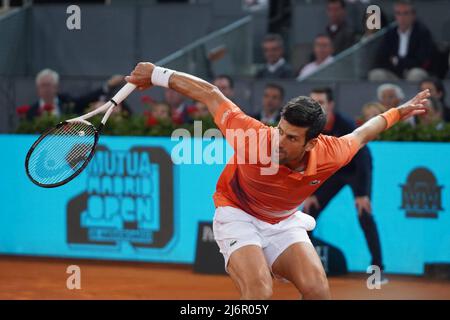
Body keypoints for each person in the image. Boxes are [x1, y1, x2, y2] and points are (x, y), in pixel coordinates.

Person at [126, 61, 429, 300]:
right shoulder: (254, 137)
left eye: (292, 138)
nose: (279, 141)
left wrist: (399, 112)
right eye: (281, 130)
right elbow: (210, 94)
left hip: (282, 222)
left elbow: (363, 133)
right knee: (259, 291)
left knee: (318, 290)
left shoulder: (330, 152)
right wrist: (157, 73)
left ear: (311, 143)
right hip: (237, 214)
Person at [303, 88, 386, 283]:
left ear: (331, 105)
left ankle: (378, 270)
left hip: (356, 171)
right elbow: (310, 159)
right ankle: (300, 268)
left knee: (364, 214)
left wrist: (362, 193)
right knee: (307, 214)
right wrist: (309, 191)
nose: (317, 107)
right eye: (313, 102)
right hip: (332, 173)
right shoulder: (310, 128)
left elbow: (363, 159)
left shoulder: (346, 124)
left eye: (321, 102)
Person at [368, 0, 436, 82]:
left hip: (413, 71)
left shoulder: (422, 33)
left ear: (413, 15)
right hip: (393, 73)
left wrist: (397, 61)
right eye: (398, 13)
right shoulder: (390, 33)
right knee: (376, 74)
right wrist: (397, 63)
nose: (402, 17)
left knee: (416, 75)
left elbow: (421, 60)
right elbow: (381, 58)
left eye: (406, 13)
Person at [26, 69, 124, 120]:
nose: (46, 89)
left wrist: (108, 86)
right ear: (38, 88)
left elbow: (86, 100)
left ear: (56, 87)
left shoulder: (68, 102)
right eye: (43, 85)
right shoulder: (31, 112)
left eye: (49, 85)